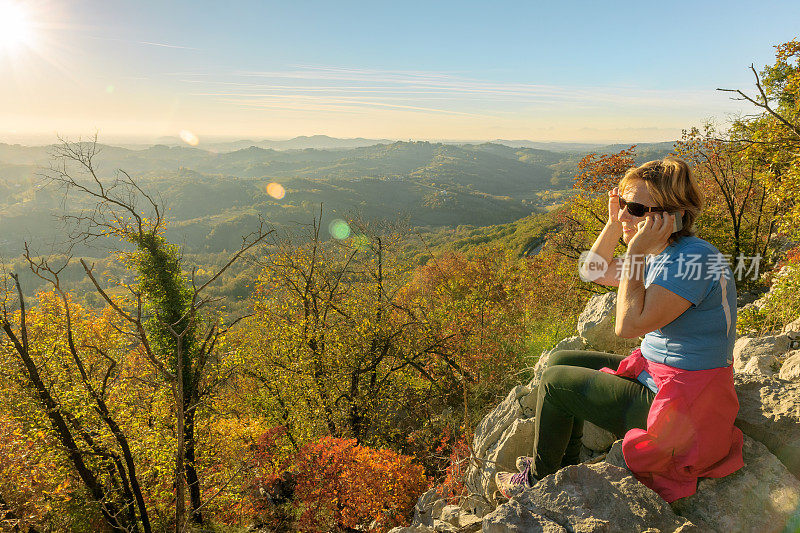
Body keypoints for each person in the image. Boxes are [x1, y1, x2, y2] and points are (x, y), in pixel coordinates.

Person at [495, 158, 743, 502]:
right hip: (662, 378)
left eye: (637, 208)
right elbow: (593, 270)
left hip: (684, 406)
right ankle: (561, 461)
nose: (626, 214)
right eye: (623, 204)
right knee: (559, 360)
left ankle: (538, 480)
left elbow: (627, 326)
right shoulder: (665, 251)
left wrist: (635, 250)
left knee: (554, 384)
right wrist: (615, 223)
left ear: (671, 216)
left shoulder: (694, 260)